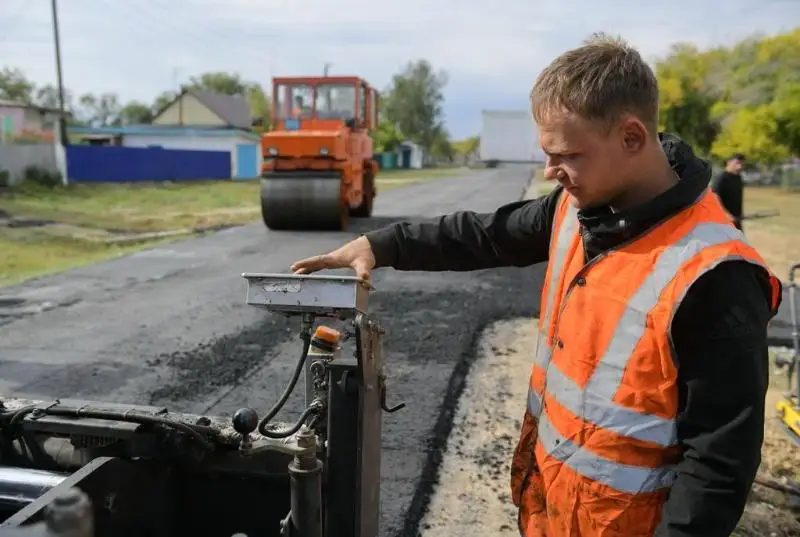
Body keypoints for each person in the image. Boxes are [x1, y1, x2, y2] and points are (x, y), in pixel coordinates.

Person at [290, 33, 782, 537]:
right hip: (552, 512)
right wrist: (382, 245)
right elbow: (485, 235)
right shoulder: (579, 209)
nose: (550, 172)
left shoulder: (715, 274)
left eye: (566, 155)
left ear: (632, 137)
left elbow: (717, 466)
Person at [711, 153, 746, 231]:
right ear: (728, 162)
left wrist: (740, 214)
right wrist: (726, 214)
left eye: (742, 164)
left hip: (736, 220)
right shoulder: (721, 178)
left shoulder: (738, 178)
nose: (740, 167)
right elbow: (714, 198)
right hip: (722, 222)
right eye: (737, 163)